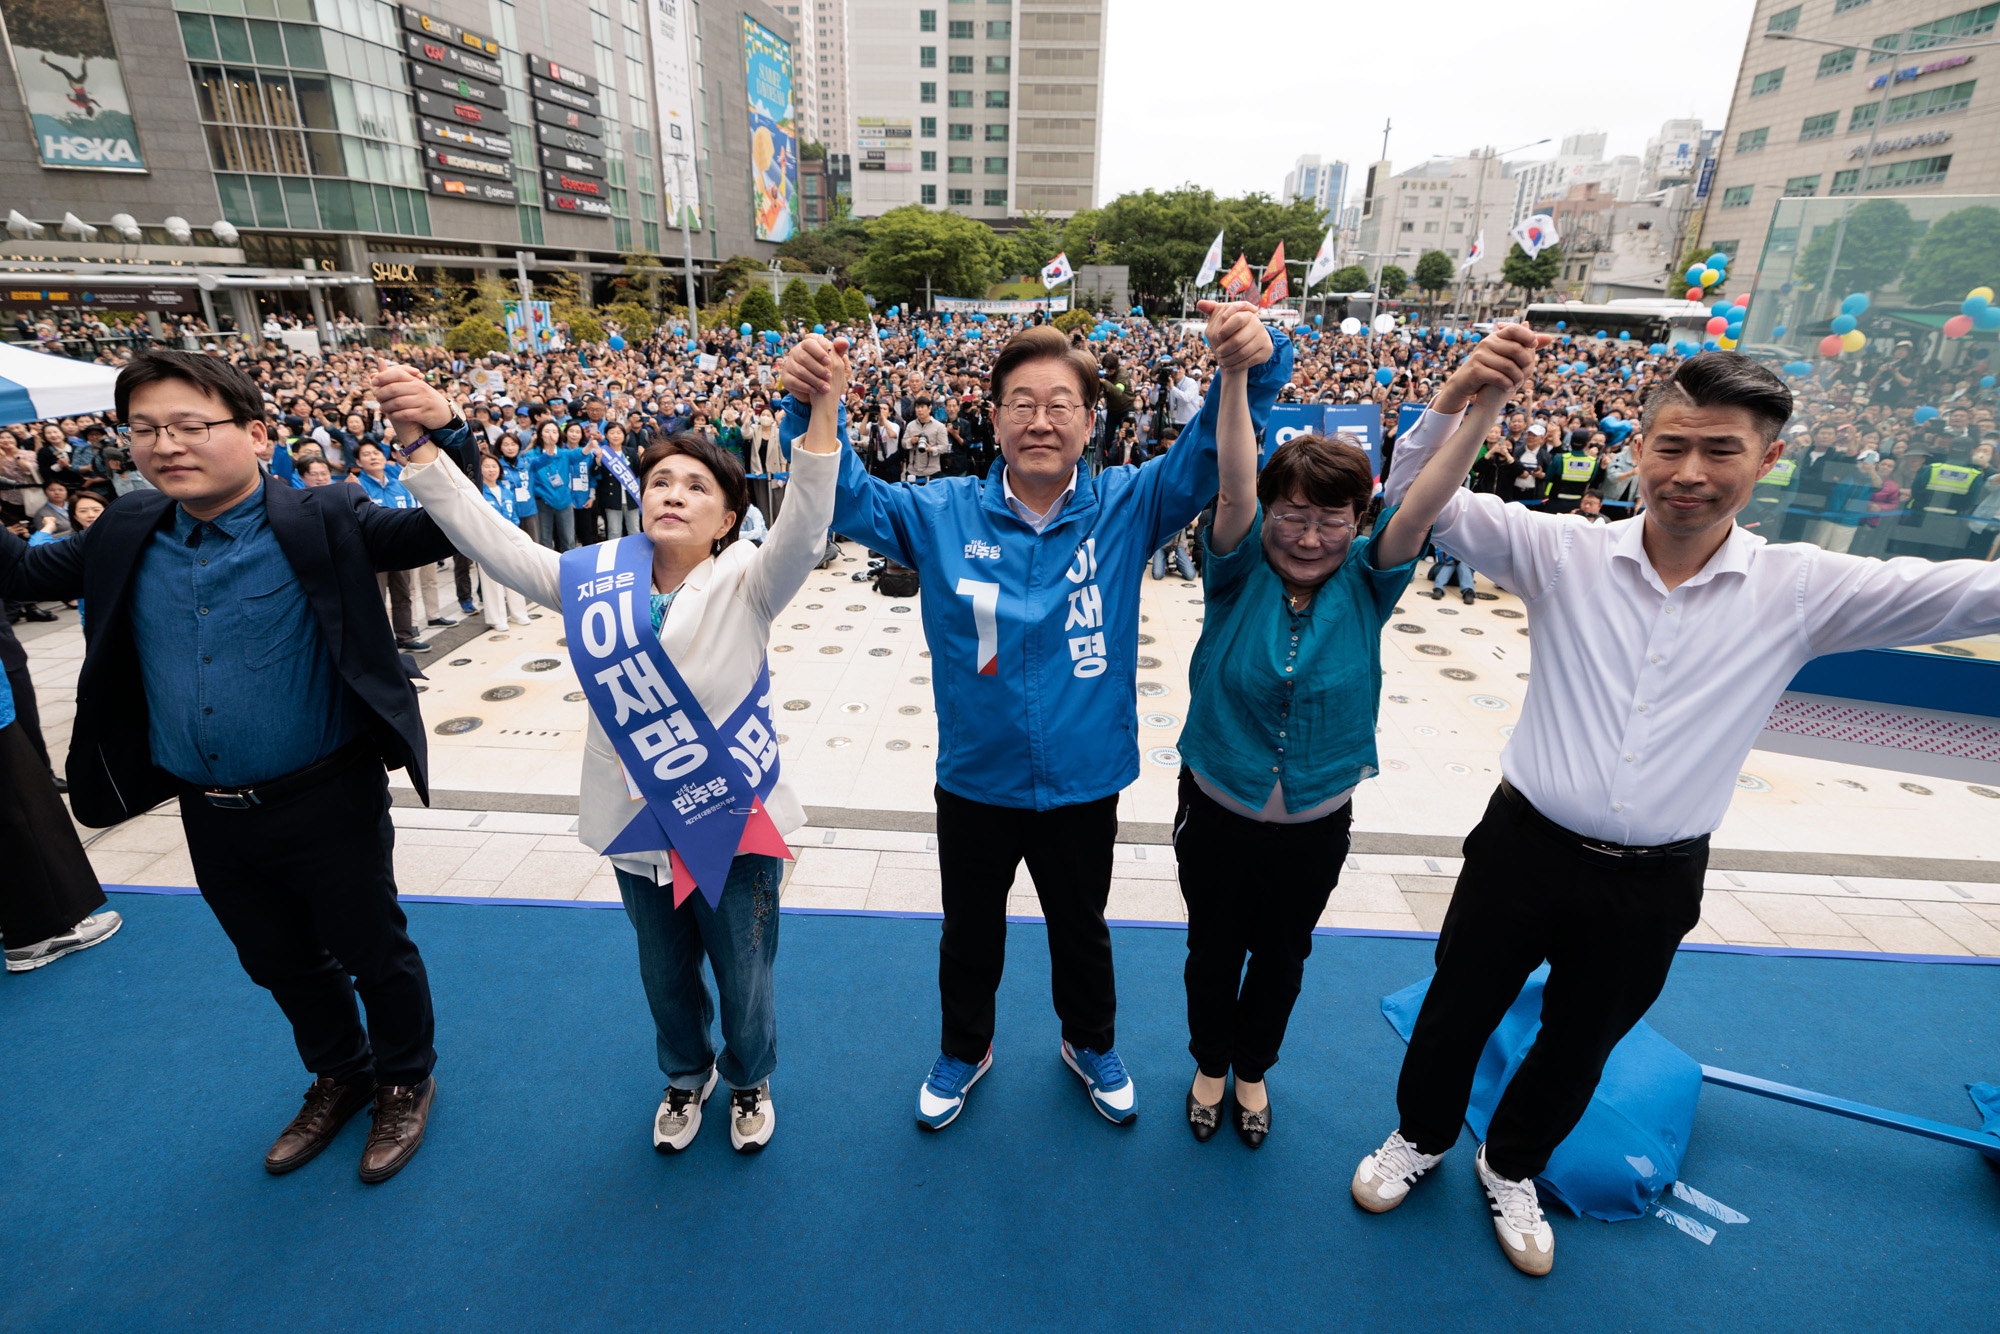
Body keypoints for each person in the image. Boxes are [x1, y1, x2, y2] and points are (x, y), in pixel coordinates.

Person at [1349, 348, 2000, 1278]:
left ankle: (1512, 1166)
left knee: (1581, 1043)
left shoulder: (1801, 588)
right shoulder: (1564, 552)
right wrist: (1457, 399)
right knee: (1456, 1010)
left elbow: (1968, 594)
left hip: (1654, 881)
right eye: (1671, 446)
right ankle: (1419, 1138)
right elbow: (1423, 499)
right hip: (1522, 849)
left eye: (1721, 450)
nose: (1690, 472)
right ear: (1639, 448)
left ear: (1768, 459)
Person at [776, 300, 1290, 1132]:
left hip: (1084, 781)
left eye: (1060, 404)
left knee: (1081, 930)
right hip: (975, 780)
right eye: (1022, 403)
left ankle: (1090, 1043)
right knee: (969, 933)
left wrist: (1255, 363)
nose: (1040, 420)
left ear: (1090, 422)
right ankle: (964, 1048)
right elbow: (843, 498)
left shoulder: (1129, 503)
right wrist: (811, 402)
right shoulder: (940, 512)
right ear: (994, 418)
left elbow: (1212, 450)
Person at [0, 349, 464, 1183]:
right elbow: (20, 571)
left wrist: (446, 434)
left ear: (256, 435)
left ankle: (404, 1080)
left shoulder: (328, 515)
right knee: (276, 959)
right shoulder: (125, 529)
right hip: (208, 808)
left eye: (189, 425)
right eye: (144, 429)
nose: (165, 445)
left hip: (328, 796)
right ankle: (342, 1073)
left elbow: (446, 528)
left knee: (373, 949)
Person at [384, 340, 847, 1154]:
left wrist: (823, 414)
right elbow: (494, 542)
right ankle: (686, 1075)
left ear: (728, 520)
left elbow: (807, 525)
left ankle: (749, 1078)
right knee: (663, 976)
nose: (673, 494)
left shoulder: (750, 578)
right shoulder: (594, 579)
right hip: (638, 826)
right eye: (661, 480)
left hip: (733, 822)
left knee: (746, 976)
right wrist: (422, 451)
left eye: (696, 486)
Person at [1174, 331, 1530, 1148]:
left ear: (1356, 519)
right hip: (1217, 815)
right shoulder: (1236, 570)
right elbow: (1235, 481)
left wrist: (1486, 406)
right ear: (1266, 517)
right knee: (1211, 951)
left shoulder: (1371, 579)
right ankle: (1209, 1064)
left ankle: (1253, 1068)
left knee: (1283, 958)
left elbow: (1426, 499)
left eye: (1330, 519)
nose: (1309, 538)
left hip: (1314, 828)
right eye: (1292, 517)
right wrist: (1234, 375)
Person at [353, 440, 431, 653]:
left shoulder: (399, 482)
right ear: (358, 462)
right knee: (376, 599)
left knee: (403, 594)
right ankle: (378, 644)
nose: (373, 457)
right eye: (366, 454)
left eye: (376, 452)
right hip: (373, 552)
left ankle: (405, 636)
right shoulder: (356, 487)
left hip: (400, 548)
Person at [473, 453, 532, 630]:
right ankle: (497, 618)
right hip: (487, 542)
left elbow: (514, 516)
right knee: (491, 581)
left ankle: (518, 613)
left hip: (509, 539)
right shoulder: (477, 492)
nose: (491, 470)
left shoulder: (506, 490)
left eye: (494, 466)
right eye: (487, 466)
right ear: (480, 469)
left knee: (515, 576)